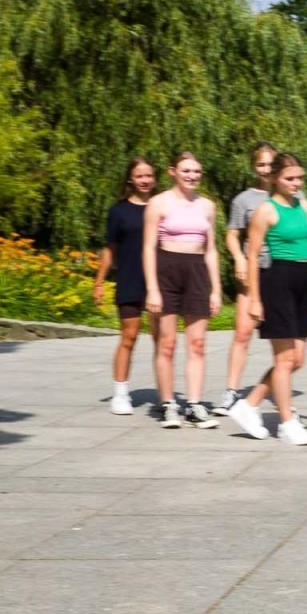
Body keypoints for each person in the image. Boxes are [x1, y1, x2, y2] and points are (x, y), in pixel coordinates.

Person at [224, 152, 307, 445]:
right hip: (276, 280)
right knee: (284, 358)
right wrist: (254, 298)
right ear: (275, 178)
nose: (296, 183)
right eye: (290, 178)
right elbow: (252, 255)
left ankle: (249, 404)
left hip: (302, 280)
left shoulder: (304, 204)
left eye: (300, 178)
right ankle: (288, 423)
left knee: (297, 359)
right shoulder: (266, 210)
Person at [142, 151, 223, 429]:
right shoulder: (158, 203)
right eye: (186, 171)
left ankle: (195, 405)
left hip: (196, 271)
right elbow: (148, 248)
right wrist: (152, 288)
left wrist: (216, 289)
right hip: (167, 270)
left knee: (197, 344)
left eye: (197, 171)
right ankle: (168, 405)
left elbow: (211, 250)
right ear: (172, 171)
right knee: (167, 343)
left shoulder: (207, 206)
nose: (192, 176)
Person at [92, 157, 158, 415]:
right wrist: (99, 281)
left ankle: (165, 396)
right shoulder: (118, 211)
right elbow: (110, 249)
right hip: (130, 278)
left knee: (161, 339)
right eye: (140, 176)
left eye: (149, 175)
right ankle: (120, 394)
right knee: (128, 336)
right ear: (130, 179)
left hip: (158, 281)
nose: (145, 180)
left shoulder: (162, 206)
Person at [217, 142, 277, 417]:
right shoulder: (244, 200)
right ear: (254, 167)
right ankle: (231, 391)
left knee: (283, 337)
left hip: (280, 271)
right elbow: (232, 235)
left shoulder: (290, 195)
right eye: (261, 165)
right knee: (243, 332)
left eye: (270, 164)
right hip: (253, 271)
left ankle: (280, 391)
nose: (266, 170)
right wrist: (239, 259)